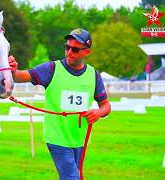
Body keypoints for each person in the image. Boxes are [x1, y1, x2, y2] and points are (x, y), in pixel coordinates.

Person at [8, 28, 111, 180]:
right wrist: (13, 71)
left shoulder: (93, 75)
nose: (69, 52)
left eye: (75, 49)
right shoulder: (51, 69)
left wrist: (98, 113)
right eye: (67, 47)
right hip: (57, 139)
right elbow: (20, 76)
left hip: (80, 140)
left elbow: (106, 106)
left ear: (86, 52)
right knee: (72, 178)